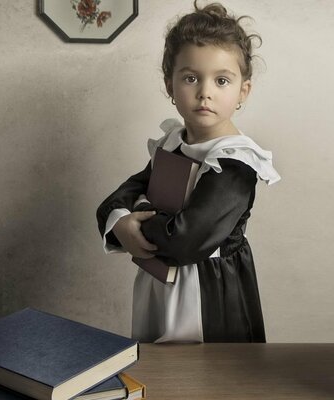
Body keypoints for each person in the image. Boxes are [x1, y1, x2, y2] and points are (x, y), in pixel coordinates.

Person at [96, 1, 280, 343]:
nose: (205, 92)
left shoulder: (234, 162)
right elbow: (122, 193)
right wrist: (119, 220)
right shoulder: (173, 142)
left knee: (206, 380)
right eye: (191, 78)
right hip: (158, 282)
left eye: (222, 80)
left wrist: (135, 218)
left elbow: (186, 239)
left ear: (243, 91)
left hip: (208, 295)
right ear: (170, 85)